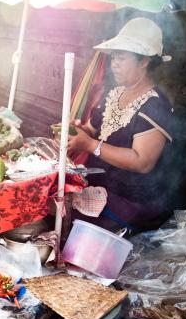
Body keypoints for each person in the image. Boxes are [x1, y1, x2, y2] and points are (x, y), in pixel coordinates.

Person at [67, 17, 174, 233]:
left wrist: (90, 145)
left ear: (144, 61)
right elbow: (90, 129)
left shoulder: (155, 105)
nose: (113, 63)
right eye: (114, 57)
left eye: (121, 58)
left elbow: (142, 161)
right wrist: (72, 131)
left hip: (133, 203)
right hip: (99, 189)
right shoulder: (114, 94)